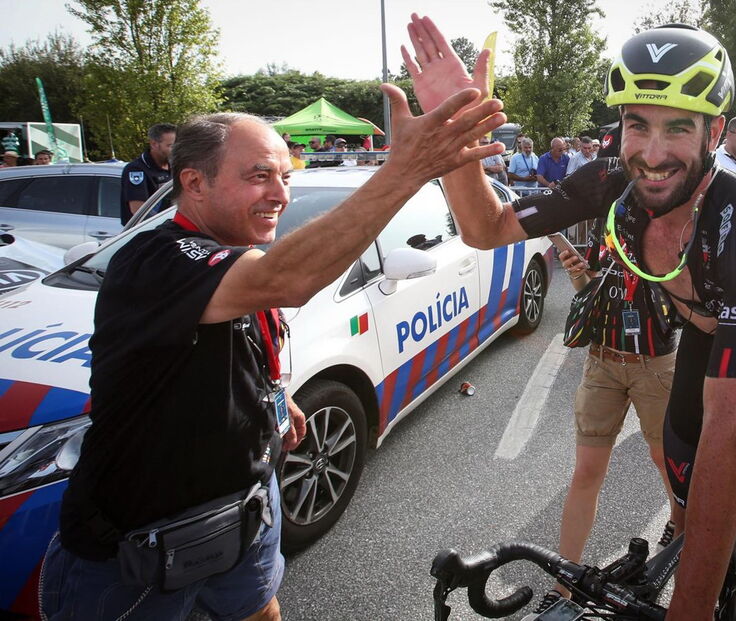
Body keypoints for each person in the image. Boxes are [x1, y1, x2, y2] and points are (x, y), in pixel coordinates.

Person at [401, 15, 736, 620]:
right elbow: (484, 227)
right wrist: (458, 141)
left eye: (678, 127)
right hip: (706, 346)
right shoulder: (610, 177)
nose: (652, 154)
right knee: (684, 517)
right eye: (637, 124)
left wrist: (690, 610)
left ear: (716, 133)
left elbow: (729, 429)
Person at [41, 85, 506, 621]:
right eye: (259, 175)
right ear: (193, 181)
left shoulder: (234, 254)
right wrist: (407, 169)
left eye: (285, 176)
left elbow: (228, 354)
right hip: (140, 558)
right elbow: (288, 280)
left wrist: (275, 401)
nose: (281, 195)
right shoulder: (157, 257)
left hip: (246, 516)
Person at [536, 223, 680, 613]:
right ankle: (562, 587)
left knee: (665, 461)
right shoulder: (609, 230)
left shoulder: (675, 228)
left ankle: (680, 527)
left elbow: (686, 308)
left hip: (656, 366)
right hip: (602, 363)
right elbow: (593, 295)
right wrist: (578, 272)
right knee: (585, 472)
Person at [119, 123, 176, 225]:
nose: (175, 150)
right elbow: (138, 210)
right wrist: (167, 225)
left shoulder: (173, 166)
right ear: (154, 144)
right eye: (170, 146)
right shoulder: (136, 170)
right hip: (146, 232)